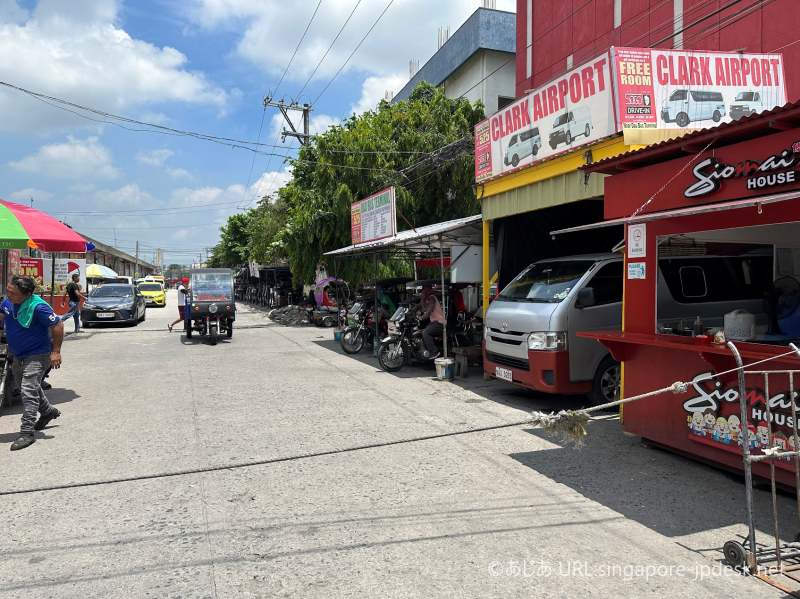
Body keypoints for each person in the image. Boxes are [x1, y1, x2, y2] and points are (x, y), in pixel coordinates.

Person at [1, 276, 64, 451]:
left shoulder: (39, 307)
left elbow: (58, 326)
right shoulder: (7, 303)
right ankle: (48, 411)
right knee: (30, 387)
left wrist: (56, 351)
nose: (9, 294)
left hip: (38, 355)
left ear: (27, 294)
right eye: (8, 290)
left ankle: (26, 432)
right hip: (17, 354)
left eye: (13, 293)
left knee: (28, 392)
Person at [420, 286, 445, 360]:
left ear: (427, 291)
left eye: (423, 292)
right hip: (434, 322)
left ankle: (434, 351)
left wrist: (421, 318)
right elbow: (423, 309)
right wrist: (422, 300)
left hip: (439, 322)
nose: (422, 293)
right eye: (422, 292)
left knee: (425, 333)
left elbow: (428, 312)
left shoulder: (432, 298)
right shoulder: (427, 300)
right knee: (420, 331)